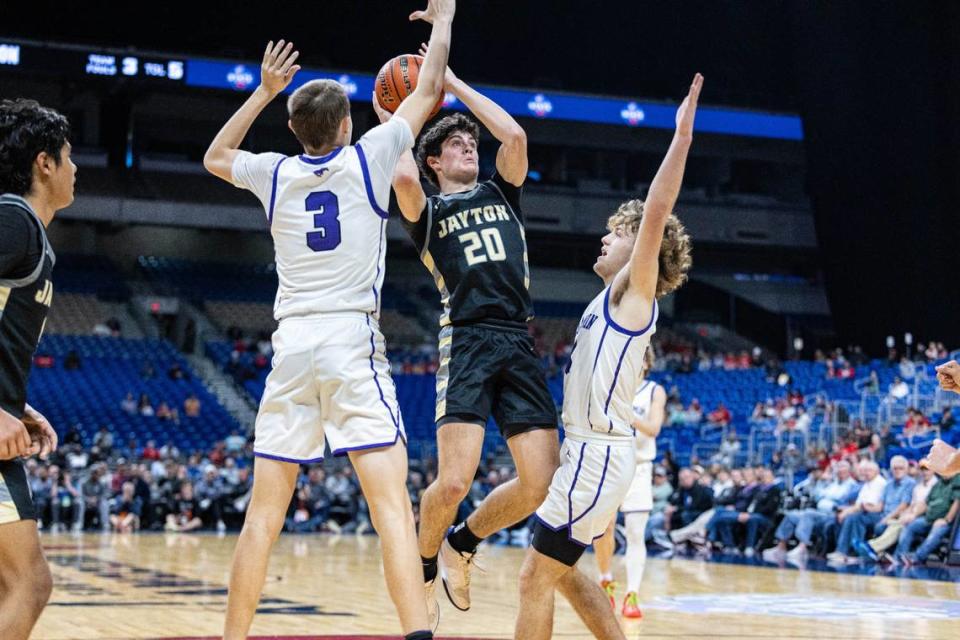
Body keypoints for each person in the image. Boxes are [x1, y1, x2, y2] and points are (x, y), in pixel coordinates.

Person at [202, 3, 455, 638]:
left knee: (264, 513)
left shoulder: (275, 172)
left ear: (295, 129)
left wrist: (264, 91)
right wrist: (444, 23)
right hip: (350, 342)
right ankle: (418, 634)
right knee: (391, 507)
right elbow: (428, 88)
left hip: (291, 346)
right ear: (348, 123)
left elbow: (215, 155)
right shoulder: (370, 155)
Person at [514, 73, 700, 640]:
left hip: (598, 453)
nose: (606, 237)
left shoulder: (632, 292)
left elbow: (658, 208)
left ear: (641, 251)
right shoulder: (606, 299)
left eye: (618, 233)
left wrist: (682, 136)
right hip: (590, 451)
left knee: (532, 579)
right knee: (565, 575)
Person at [386, 43, 560, 616]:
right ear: (435, 161)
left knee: (540, 482)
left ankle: (464, 542)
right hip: (466, 339)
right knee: (454, 482)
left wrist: (455, 85)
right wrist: (401, 111)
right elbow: (401, 169)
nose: (469, 147)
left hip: (517, 338)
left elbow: (514, 138)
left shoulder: (501, 194)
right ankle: (425, 565)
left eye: (469, 144)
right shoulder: (427, 211)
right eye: (456, 144)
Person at [0, 98, 70, 639]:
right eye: (69, 157)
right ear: (43, 163)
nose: (76, 169)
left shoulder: (28, 233)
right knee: (29, 582)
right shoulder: (12, 219)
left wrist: (15, 405)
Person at [593, 350, 666, 619]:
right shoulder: (610, 388)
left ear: (646, 363)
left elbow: (654, 428)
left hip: (639, 468)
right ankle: (605, 580)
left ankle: (632, 594)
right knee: (603, 530)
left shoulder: (654, 391)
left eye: (639, 357)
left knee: (636, 533)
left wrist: (625, 413)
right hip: (610, 465)